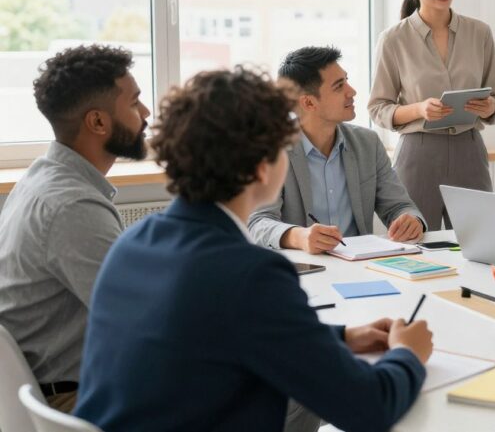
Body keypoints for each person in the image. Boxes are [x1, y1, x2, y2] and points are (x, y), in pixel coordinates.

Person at [74, 68, 433, 432]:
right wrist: (408, 354)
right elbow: (369, 408)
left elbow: (222, 331)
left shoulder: (134, 242)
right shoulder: (250, 273)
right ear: (263, 168)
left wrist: (342, 338)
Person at [0, 45, 149, 413]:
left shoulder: (44, 178)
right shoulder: (72, 205)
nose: (147, 113)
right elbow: (142, 318)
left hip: (61, 386)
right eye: (135, 103)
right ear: (98, 122)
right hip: (71, 398)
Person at [369, 0, 495, 230]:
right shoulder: (393, 39)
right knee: (415, 247)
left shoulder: (479, 32)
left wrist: (489, 105)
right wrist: (419, 109)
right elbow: (378, 108)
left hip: (469, 151)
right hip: (418, 154)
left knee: (481, 243)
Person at [249, 46, 426, 253]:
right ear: (308, 102)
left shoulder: (368, 143)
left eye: (347, 80)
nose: (352, 91)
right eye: (339, 86)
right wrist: (299, 237)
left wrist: (412, 220)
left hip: (361, 265)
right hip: (305, 270)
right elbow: (258, 222)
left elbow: (399, 206)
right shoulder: (272, 149)